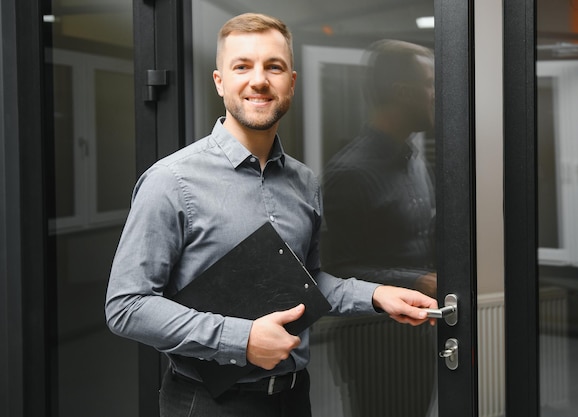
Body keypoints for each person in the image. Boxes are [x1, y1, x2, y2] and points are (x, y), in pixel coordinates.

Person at [104, 13, 438, 417]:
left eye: (273, 66)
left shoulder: (304, 182)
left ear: (290, 83)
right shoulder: (171, 181)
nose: (259, 80)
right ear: (219, 81)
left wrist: (376, 294)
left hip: (294, 397)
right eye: (242, 66)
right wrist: (240, 339)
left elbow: (308, 283)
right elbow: (127, 305)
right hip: (209, 404)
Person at [319, 40, 437, 417]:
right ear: (404, 93)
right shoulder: (350, 173)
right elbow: (333, 270)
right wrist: (417, 282)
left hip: (420, 335)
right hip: (374, 344)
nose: (438, 94)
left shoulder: (413, 158)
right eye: (431, 84)